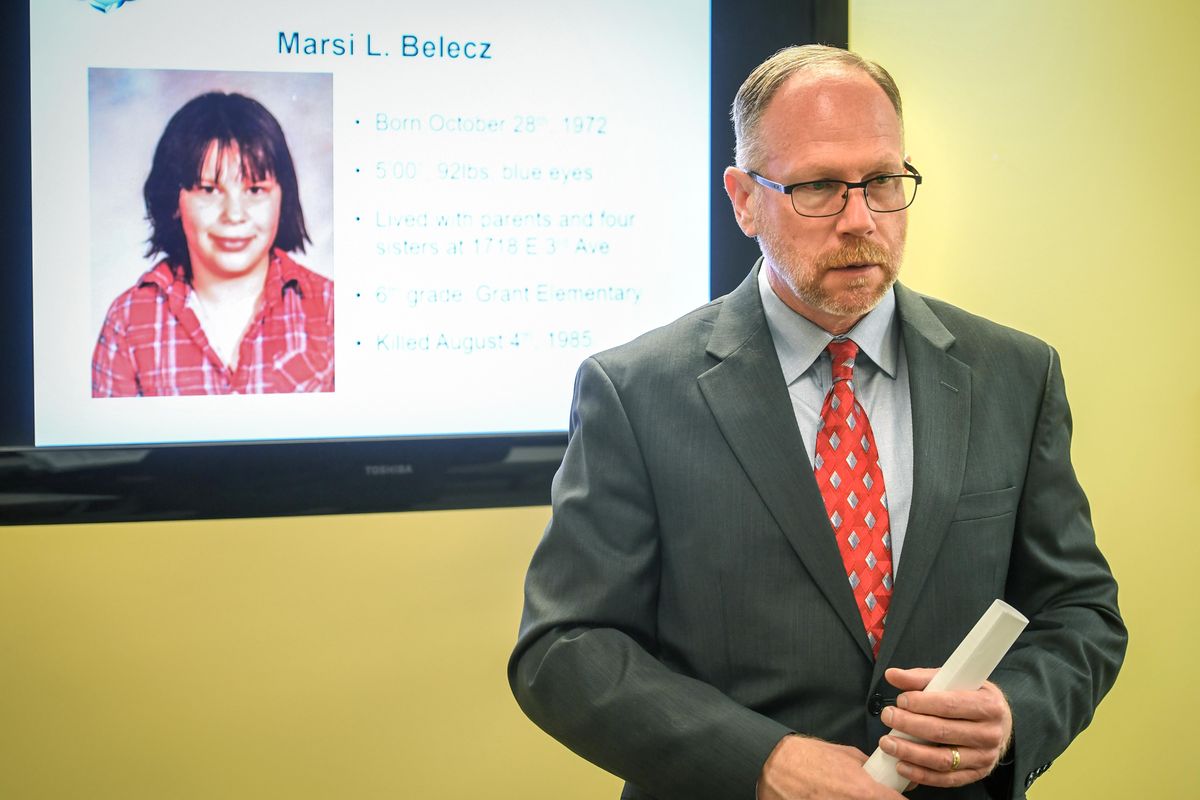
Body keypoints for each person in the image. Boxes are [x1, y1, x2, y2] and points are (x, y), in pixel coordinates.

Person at [509, 45, 1125, 800]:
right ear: (743, 198)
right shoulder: (636, 391)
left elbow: (1080, 611)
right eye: (820, 187)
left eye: (883, 182)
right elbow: (564, 648)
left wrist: (1013, 711)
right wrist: (761, 761)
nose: (860, 220)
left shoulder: (1016, 375)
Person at [92, 91, 333, 396]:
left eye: (255, 190)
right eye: (208, 190)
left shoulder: (329, 308)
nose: (234, 214)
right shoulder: (129, 319)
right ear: (174, 202)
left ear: (282, 199)